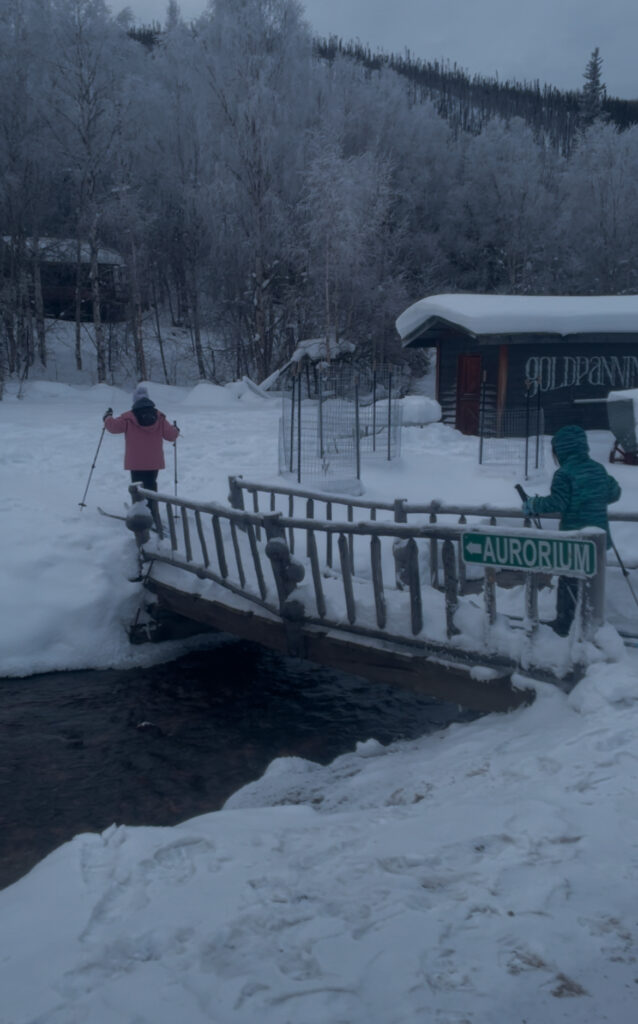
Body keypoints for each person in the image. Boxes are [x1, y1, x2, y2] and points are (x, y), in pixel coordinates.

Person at [520, 423, 621, 636]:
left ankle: (565, 624)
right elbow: (614, 493)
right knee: (591, 581)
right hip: (598, 537)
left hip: (574, 539)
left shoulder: (564, 473)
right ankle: (589, 621)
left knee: (568, 581)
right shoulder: (598, 469)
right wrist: (592, 498)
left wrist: (533, 504)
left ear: (562, 450)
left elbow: (558, 502)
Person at [103, 385, 179, 526]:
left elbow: (112, 427)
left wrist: (107, 417)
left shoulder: (128, 417)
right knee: (151, 487)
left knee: (138, 489)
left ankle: (140, 516)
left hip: (135, 462)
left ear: (134, 401)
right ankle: (153, 513)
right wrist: (176, 430)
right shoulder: (159, 416)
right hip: (153, 462)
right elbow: (171, 436)